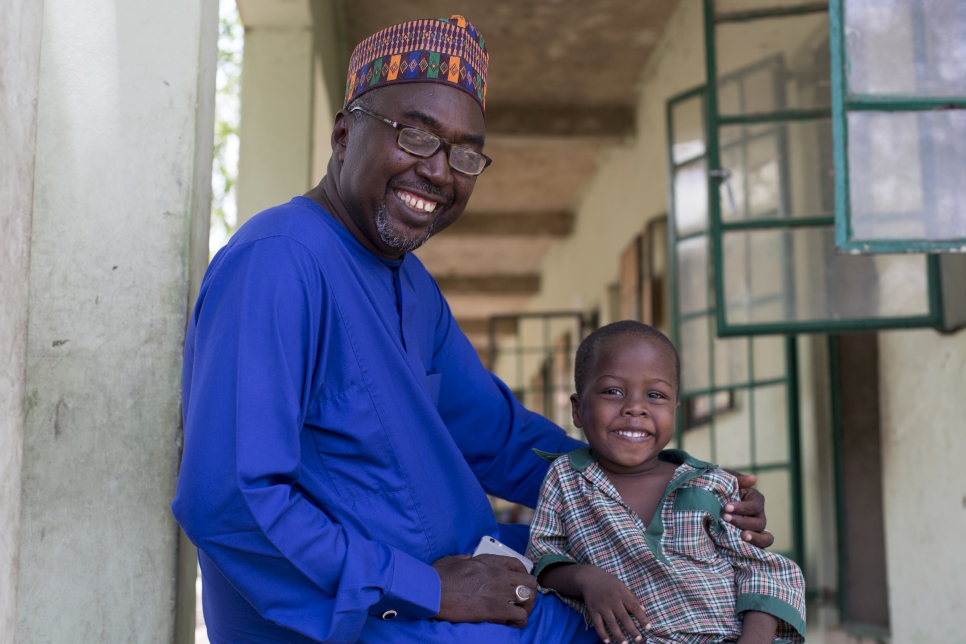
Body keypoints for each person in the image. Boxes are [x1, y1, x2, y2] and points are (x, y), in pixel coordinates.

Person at [172, 15, 772, 644]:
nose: (438, 171)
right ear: (344, 134)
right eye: (415, 136)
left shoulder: (408, 283)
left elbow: (500, 438)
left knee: (705, 594)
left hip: (473, 587)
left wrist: (676, 490)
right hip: (370, 616)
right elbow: (231, 503)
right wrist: (431, 589)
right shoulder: (279, 261)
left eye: (463, 154)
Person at [526, 321, 805, 644]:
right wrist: (587, 578)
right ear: (578, 409)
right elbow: (542, 558)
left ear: (675, 409)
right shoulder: (567, 479)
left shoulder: (709, 484)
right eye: (613, 391)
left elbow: (762, 572)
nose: (635, 408)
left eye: (655, 395)